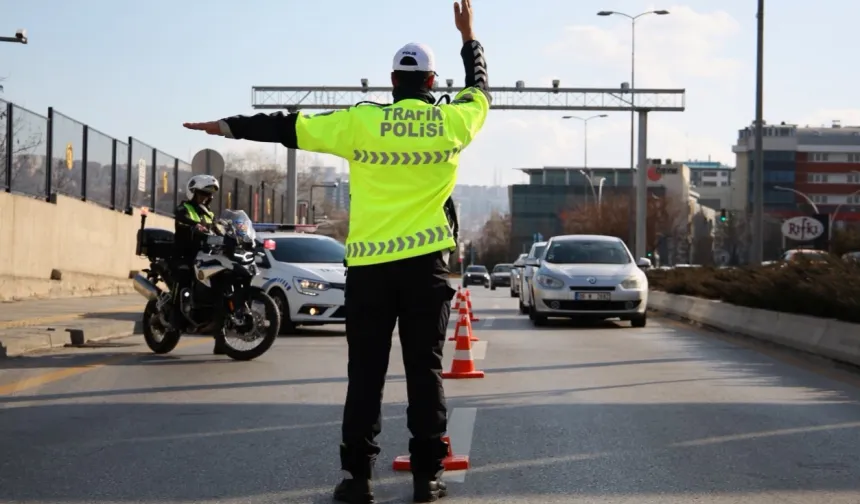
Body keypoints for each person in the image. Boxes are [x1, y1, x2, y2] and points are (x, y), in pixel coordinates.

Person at [183, 1, 489, 500]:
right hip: (425, 269)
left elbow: (289, 126)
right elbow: (480, 88)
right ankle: (427, 477)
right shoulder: (453, 123)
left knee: (365, 375)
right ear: (432, 84)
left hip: (369, 271)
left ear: (393, 81)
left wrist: (227, 126)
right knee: (425, 371)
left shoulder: (360, 123)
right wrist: (468, 34)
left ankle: (357, 480)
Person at [172, 174, 227, 355]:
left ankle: (220, 339)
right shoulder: (184, 208)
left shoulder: (209, 213)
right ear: (193, 193)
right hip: (185, 254)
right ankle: (175, 318)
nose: (205, 197)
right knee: (184, 280)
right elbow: (180, 217)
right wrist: (195, 225)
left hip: (205, 256)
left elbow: (217, 229)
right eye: (202, 194)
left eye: (208, 195)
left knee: (220, 289)